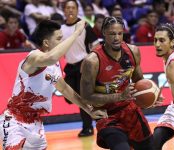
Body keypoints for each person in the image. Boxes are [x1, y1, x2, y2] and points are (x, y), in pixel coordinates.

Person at [0, 19, 107, 150]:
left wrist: (89, 110)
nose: (62, 42)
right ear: (46, 43)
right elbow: (51, 57)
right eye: (58, 39)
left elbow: (65, 89)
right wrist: (77, 32)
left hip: (35, 123)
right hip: (14, 121)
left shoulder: (55, 66)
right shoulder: (34, 57)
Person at [80, 16, 154, 150]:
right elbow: (86, 97)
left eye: (120, 33)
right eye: (112, 34)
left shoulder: (133, 51)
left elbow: (139, 81)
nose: (117, 38)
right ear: (104, 33)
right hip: (107, 115)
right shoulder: (92, 61)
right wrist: (118, 96)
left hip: (130, 110)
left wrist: (152, 94)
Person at [61, 0, 99, 137]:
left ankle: (87, 128)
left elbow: (95, 45)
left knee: (83, 99)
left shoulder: (84, 25)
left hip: (83, 65)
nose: (70, 10)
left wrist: (89, 62)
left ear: (77, 10)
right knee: (69, 97)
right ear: (64, 11)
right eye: (68, 8)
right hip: (70, 68)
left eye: (73, 8)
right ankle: (95, 114)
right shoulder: (60, 29)